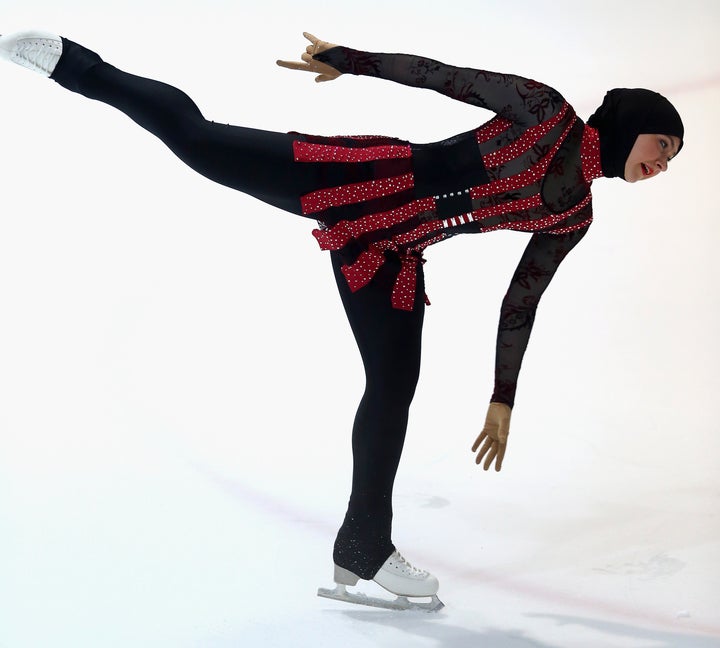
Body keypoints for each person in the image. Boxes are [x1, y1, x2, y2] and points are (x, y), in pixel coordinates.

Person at [0, 30, 684, 610]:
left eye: (671, 159)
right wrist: (348, 59)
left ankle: (363, 547)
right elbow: (445, 78)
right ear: (630, 124)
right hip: (364, 177)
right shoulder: (546, 113)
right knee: (201, 141)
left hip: (393, 252)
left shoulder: (574, 215)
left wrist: (502, 397)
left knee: (392, 390)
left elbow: (521, 300)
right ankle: (69, 61)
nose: (661, 164)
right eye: (662, 144)